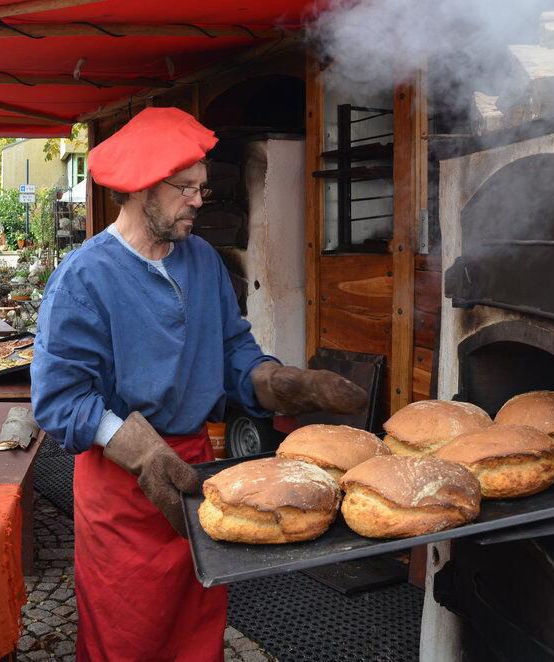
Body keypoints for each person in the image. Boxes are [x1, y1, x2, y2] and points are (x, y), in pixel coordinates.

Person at [30, 107, 367, 662]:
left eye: (202, 188)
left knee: (196, 629)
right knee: (127, 635)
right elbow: (63, 399)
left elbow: (232, 347)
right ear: (141, 188)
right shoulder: (83, 277)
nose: (198, 200)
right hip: (122, 485)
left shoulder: (203, 260)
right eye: (185, 188)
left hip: (196, 470)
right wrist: (141, 454)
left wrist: (278, 381)